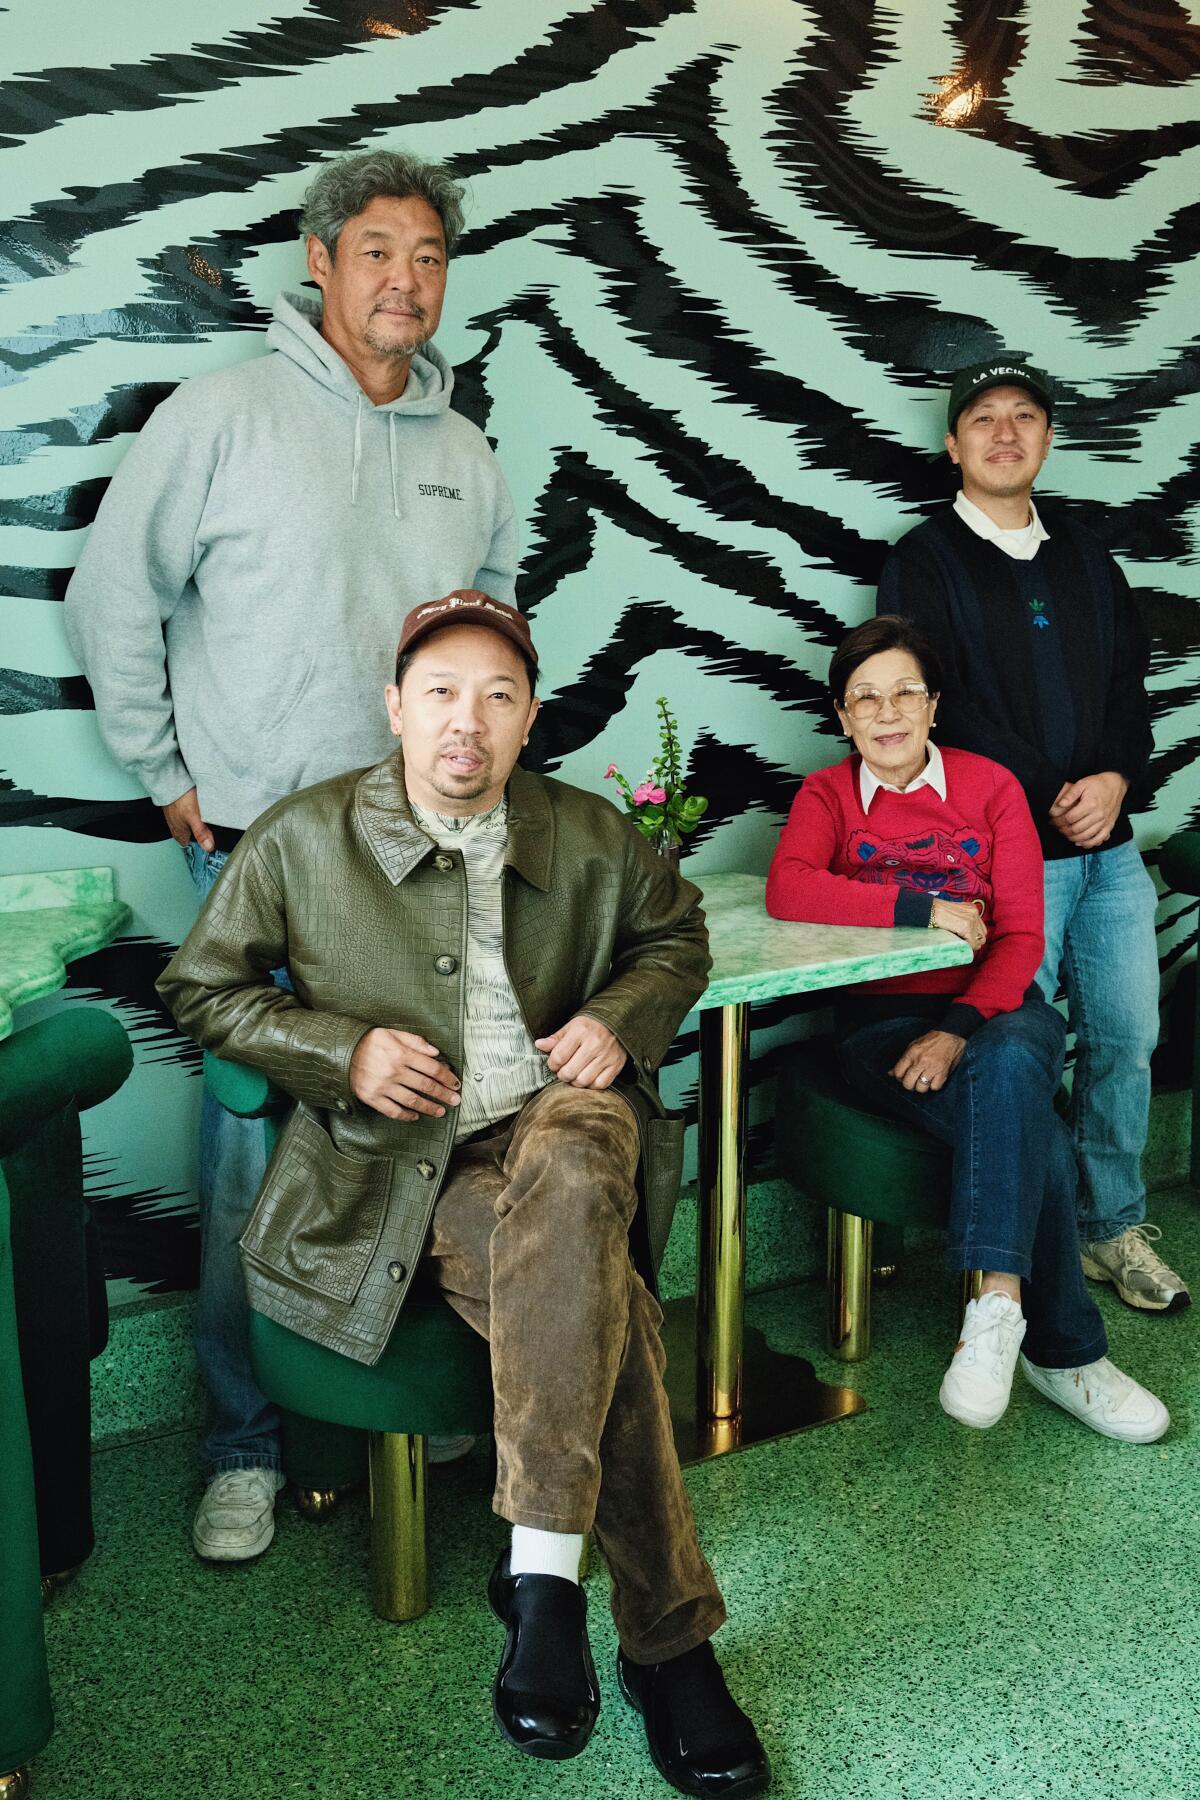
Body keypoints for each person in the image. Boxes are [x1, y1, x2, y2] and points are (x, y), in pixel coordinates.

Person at [156, 592, 771, 1797]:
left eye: (497, 696)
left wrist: (617, 1017)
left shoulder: (587, 833)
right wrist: (343, 1054)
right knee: (618, 1316)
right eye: (440, 692)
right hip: (411, 1171)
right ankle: (670, 1649)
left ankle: (542, 1585)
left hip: (558, 1124)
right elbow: (203, 989)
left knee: (590, 1140)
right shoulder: (300, 837)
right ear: (396, 706)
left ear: (529, 716)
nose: (466, 722)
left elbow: (678, 936)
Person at [63, 149, 518, 1560]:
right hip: (260, 856)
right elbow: (109, 593)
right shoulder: (225, 413)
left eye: (429, 255)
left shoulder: (464, 450)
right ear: (319, 262)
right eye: (377, 250)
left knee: (422, 1132)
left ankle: (390, 1405)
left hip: (423, 856)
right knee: (252, 1157)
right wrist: (166, 772)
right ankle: (245, 1441)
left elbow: (495, 634)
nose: (406, 279)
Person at [766, 614, 1168, 1443]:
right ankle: (1067, 1356)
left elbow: (1019, 937)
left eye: (904, 692)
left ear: (934, 705)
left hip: (989, 1013)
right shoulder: (826, 795)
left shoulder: (990, 790)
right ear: (842, 717)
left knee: (1017, 1050)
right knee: (1040, 1131)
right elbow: (791, 889)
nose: (886, 712)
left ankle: (996, 1308)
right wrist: (924, 907)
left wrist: (956, 1028)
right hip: (880, 1030)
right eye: (864, 698)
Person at [877, 357, 1187, 1316]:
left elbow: (1130, 693)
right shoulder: (923, 560)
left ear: (1047, 439)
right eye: (982, 418)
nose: (1004, 433)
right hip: (1007, 857)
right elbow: (942, 706)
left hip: (1111, 852)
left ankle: (1112, 1229)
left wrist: (1115, 779)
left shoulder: (1087, 554)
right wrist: (1059, 790)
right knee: (1018, 1049)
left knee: (1126, 1039)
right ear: (953, 443)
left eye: (1024, 417)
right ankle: (1025, 1249)